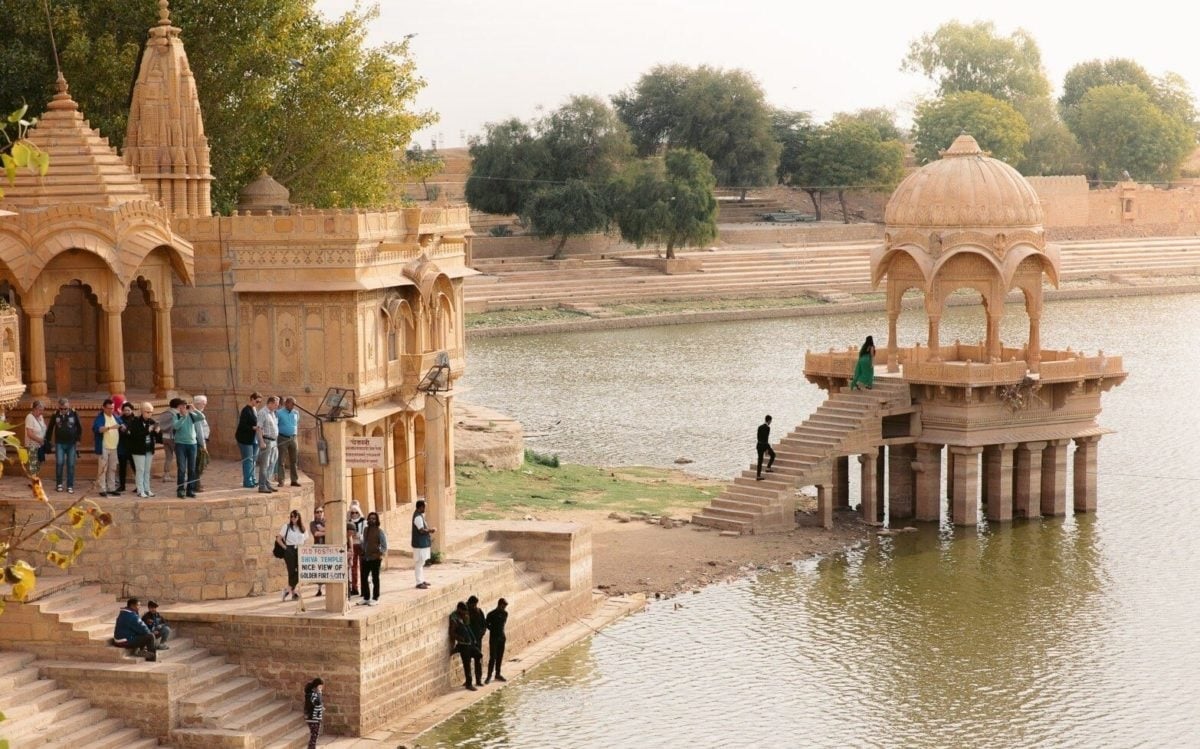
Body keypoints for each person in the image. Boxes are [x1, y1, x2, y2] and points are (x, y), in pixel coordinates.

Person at [46, 398, 82, 493]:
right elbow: (50, 428)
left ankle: (70, 485)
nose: (63, 410)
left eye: (65, 408)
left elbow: (79, 427)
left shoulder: (74, 414)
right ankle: (59, 484)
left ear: (68, 407)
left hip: (71, 443)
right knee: (59, 463)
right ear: (59, 408)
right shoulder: (55, 414)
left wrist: (78, 440)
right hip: (60, 443)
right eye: (61, 409)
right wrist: (48, 440)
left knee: (70, 465)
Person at [170, 398, 203, 498]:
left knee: (192, 468)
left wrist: (195, 410)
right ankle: (180, 489)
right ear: (179, 407)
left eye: (185, 406)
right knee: (182, 468)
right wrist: (183, 417)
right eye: (182, 406)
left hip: (192, 444)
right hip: (180, 444)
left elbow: (202, 417)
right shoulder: (176, 416)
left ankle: (190, 489)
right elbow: (176, 426)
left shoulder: (192, 415)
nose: (184, 407)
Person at [127, 402, 160, 498]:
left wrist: (157, 431)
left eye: (151, 412)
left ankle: (147, 489)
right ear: (142, 411)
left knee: (147, 470)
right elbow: (134, 436)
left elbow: (157, 437)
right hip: (138, 449)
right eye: (148, 412)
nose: (150, 414)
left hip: (149, 449)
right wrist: (147, 431)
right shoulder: (135, 421)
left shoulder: (151, 421)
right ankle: (140, 490)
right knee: (140, 470)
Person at [92, 398, 123, 497]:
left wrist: (123, 427)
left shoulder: (115, 416)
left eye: (113, 408)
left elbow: (121, 424)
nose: (111, 410)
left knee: (112, 468)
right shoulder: (100, 418)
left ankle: (111, 488)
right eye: (109, 408)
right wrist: (110, 428)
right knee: (102, 469)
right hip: (104, 446)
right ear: (104, 408)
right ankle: (102, 489)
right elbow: (98, 429)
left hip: (114, 447)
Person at [356, 511, 388, 606]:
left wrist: (378, 553)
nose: (371, 520)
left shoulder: (380, 531)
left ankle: (375, 598)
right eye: (370, 518)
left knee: (375, 578)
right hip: (366, 558)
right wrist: (363, 550)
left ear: (376, 520)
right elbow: (364, 542)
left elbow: (384, 546)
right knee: (364, 578)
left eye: (373, 519)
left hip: (375, 558)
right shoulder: (365, 530)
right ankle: (366, 598)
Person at [113, 597, 157, 661]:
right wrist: (151, 632)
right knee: (150, 636)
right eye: (138, 605)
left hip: (119, 639)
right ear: (133, 606)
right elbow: (144, 629)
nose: (140, 607)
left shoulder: (124, 613)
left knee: (143, 634)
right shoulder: (132, 616)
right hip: (124, 641)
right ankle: (152, 659)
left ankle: (142, 651)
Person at [277, 510, 308, 601]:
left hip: (300, 550)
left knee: (301, 570)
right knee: (291, 571)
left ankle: (288, 589)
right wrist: (285, 548)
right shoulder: (286, 527)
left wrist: (303, 549)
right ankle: (294, 593)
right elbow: (279, 539)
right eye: (291, 517)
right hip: (289, 550)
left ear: (298, 517)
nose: (293, 518)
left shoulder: (302, 528)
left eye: (294, 517)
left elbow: (305, 540)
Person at [449, 601, 479, 691]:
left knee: (478, 655)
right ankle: (469, 684)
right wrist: (460, 638)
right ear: (459, 609)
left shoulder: (463, 616)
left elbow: (467, 626)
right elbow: (451, 632)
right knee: (467, 664)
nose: (465, 613)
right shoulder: (454, 618)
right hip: (463, 644)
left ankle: (472, 680)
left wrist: (473, 639)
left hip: (469, 642)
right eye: (463, 611)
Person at [235, 392, 262, 488]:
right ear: (252, 399)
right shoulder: (246, 410)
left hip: (253, 438)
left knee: (253, 460)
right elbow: (242, 425)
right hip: (245, 439)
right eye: (257, 401)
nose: (258, 403)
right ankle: (247, 481)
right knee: (248, 460)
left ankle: (253, 479)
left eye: (259, 402)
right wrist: (253, 428)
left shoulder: (254, 409)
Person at [275, 396, 301, 487]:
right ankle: (281, 480)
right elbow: (276, 424)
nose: (293, 406)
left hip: (293, 438)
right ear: (286, 403)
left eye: (294, 404)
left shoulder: (296, 413)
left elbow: (296, 423)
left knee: (294, 460)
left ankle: (294, 480)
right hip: (282, 438)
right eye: (292, 403)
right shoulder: (279, 413)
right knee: (281, 460)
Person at [256, 396, 280, 493]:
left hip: (274, 441)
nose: (277, 407)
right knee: (265, 464)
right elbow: (259, 428)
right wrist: (261, 441)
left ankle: (267, 483)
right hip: (266, 441)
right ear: (270, 403)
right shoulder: (263, 413)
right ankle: (262, 486)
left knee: (272, 463)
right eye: (275, 405)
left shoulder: (273, 413)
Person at [412, 499, 436, 590]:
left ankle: (422, 580)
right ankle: (419, 582)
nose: (425, 509)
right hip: (419, 544)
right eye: (424, 507)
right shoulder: (417, 517)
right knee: (419, 563)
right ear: (421, 507)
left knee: (421, 562)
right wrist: (431, 530)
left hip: (422, 544)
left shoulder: (420, 516)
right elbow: (421, 530)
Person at [485, 598, 509, 683]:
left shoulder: (505, 613)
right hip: (494, 638)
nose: (504, 608)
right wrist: (493, 629)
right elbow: (486, 624)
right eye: (503, 606)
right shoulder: (491, 614)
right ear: (499, 604)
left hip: (501, 637)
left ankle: (498, 674)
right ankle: (489, 676)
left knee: (499, 656)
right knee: (493, 657)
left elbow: (502, 623)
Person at [466, 595, 486, 687]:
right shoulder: (466, 613)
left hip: (478, 640)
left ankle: (478, 680)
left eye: (475, 605)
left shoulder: (479, 611)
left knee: (478, 660)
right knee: (468, 660)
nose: (474, 606)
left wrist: (481, 634)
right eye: (472, 605)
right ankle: (468, 680)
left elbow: (484, 625)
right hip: (468, 641)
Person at [116, 401, 136, 493]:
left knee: (135, 467)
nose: (126, 412)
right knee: (122, 468)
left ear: (132, 410)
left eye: (128, 410)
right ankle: (122, 485)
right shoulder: (119, 420)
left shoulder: (136, 420)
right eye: (125, 410)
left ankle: (139, 485)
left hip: (132, 447)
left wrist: (127, 431)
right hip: (122, 447)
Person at [346, 501, 365, 597]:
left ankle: (364, 588)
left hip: (361, 545)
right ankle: (354, 588)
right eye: (352, 512)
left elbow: (364, 533)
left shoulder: (363, 521)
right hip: (352, 545)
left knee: (362, 567)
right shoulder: (348, 522)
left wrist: (359, 536)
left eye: (356, 512)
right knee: (353, 567)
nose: (354, 514)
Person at [192, 395, 211, 492]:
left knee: (198, 465)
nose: (205, 405)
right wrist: (203, 445)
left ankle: (196, 484)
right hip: (199, 443)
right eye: (203, 403)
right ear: (197, 403)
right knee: (199, 464)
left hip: (201, 441)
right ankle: (196, 485)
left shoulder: (199, 413)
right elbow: (199, 431)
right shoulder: (197, 415)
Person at [23, 400, 47, 473]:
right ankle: (34, 481)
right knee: (33, 465)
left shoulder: (40, 417)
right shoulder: (29, 417)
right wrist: (39, 440)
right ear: (34, 409)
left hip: (40, 445)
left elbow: (43, 428)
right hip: (32, 445)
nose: (41, 412)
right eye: (40, 410)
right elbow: (29, 433)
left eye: (42, 410)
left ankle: (35, 479)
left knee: (40, 462)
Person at [156, 402, 176, 483]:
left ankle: (166, 475)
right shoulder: (175, 414)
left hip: (164, 437)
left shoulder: (164, 413)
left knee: (168, 457)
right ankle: (184, 474)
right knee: (180, 456)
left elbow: (157, 423)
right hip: (173, 437)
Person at [303, 677, 324, 749]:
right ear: (316, 686)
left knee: (315, 734)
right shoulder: (313, 695)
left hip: (315, 718)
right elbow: (318, 702)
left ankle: (312, 747)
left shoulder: (314, 694)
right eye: (320, 686)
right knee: (314, 735)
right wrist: (319, 693)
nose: (321, 688)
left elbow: (317, 704)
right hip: (313, 718)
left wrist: (321, 708)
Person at [311, 505, 327, 597]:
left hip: (328, 547)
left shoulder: (327, 522)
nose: (319, 513)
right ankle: (319, 589)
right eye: (317, 512)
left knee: (327, 567)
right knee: (319, 569)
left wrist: (323, 530)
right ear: (314, 514)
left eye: (321, 511)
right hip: (318, 547)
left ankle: (327, 588)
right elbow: (316, 533)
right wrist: (327, 531)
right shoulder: (312, 523)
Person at [755, 415, 776, 481]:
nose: (770, 422)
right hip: (764, 445)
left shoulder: (759, 427)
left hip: (759, 445)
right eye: (771, 421)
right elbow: (766, 438)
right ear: (769, 420)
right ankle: (768, 467)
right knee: (773, 455)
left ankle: (758, 476)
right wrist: (767, 448)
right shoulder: (767, 428)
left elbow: (758, 437)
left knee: (760, 461)